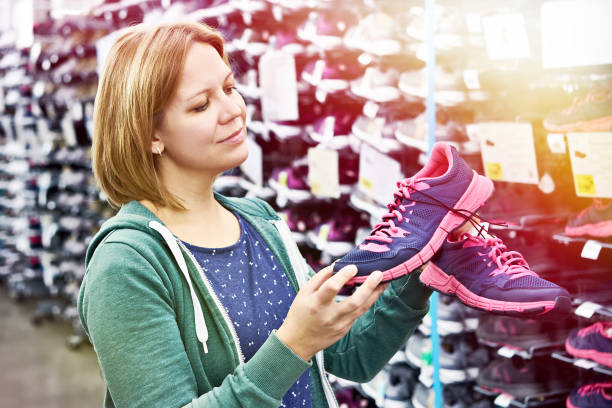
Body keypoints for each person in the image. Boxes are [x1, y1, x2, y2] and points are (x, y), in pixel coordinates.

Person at [78, 20, 432, 408]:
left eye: (230, 88)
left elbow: (352, 353)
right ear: (149, 135)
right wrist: (294, 345)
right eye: (201, 104)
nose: (233, 110)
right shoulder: (126, 265)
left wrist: (423, 259)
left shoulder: (260, 223)